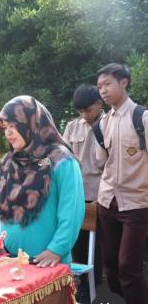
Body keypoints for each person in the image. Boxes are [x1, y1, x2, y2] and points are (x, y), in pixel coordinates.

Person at [0, 95, 85, 267]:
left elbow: (71, 210)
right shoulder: (5, 164)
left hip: (49, 263)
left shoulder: (60, 161)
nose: (8, 132)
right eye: (5, 127)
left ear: (30, 124)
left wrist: (57, 249)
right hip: (7, 261)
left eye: (13, 126)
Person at [95, 63, 148, 303]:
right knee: (110, 263)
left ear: (123, 82)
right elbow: (102, 163)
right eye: (99, 86)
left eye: (107, 84)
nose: (102, 90)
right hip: (107, 202)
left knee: (128, 265)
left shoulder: (142, 118)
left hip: (137, 203)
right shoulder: (104, 123)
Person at [62, 84, 105, 284]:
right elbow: (62, 158)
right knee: (76, 244)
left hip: (100, 197)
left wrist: (102, 198)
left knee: (97, 248)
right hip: (76, 196)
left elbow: (113, 167)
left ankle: (94, 287)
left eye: (87, 110)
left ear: (99, 103)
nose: (84, 115)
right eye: (80, 111)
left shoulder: (109, 125)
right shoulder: (72, 126)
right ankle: (80, 286)